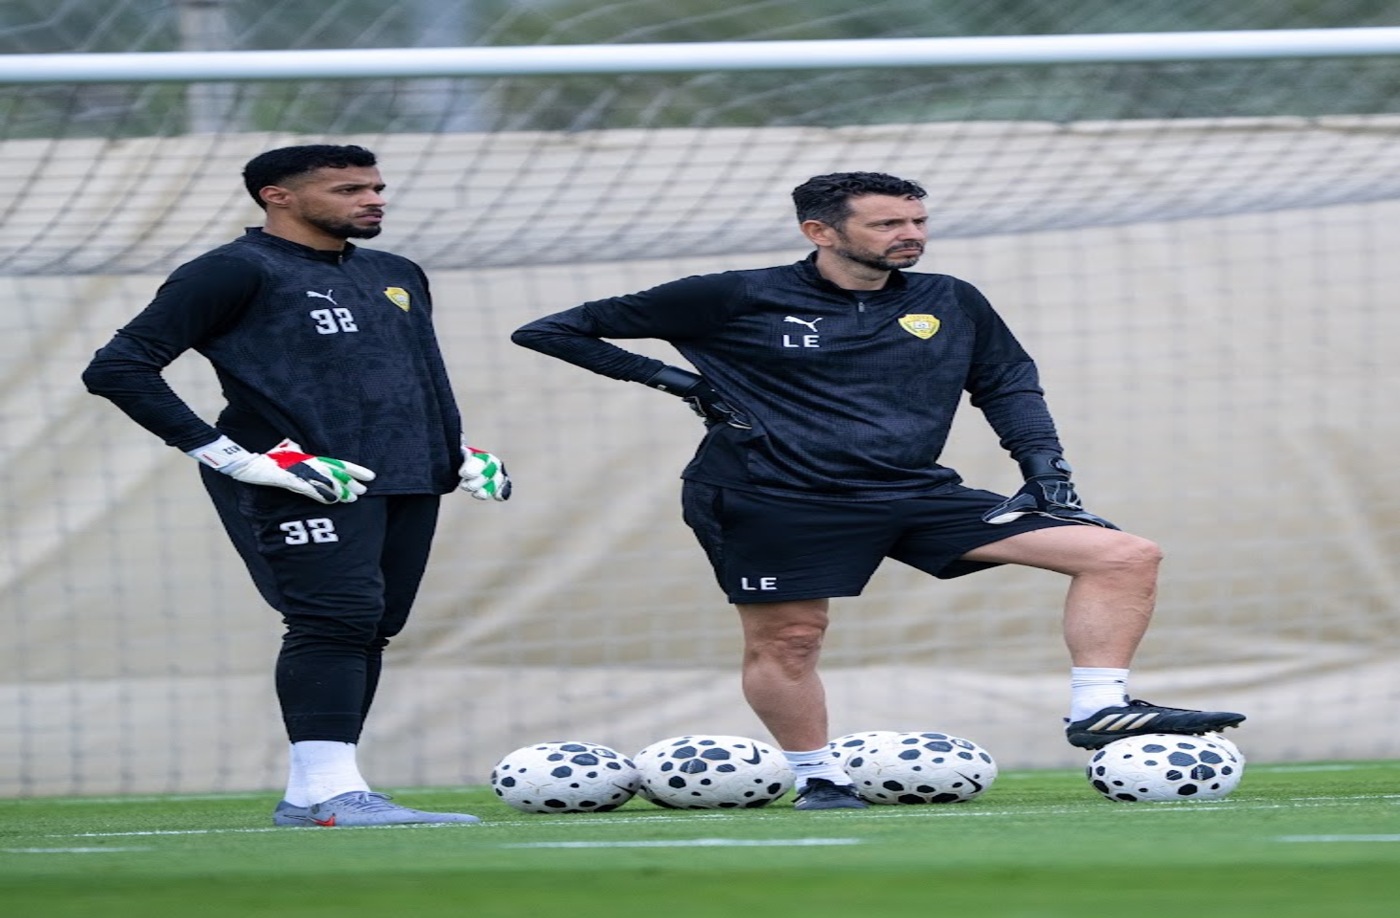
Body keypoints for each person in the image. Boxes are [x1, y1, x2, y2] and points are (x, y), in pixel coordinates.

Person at [511, 170, 1244, 810]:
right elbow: (552, 330)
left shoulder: (950, 300)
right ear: (819, 231)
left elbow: (1007, 383)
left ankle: (1098, 710)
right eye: (888, 223)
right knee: (790, 639)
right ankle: (818, 777)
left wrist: (1044, 467)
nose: (911, 235)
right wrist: (678, 382)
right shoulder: (732, 296)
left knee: (1122, 555)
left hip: (912, 489)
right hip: (774, 493)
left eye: (918, 220)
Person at [83, 144, 511, 827]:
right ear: (276, 196)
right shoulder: (231, 271)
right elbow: (118, 368)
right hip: (299, 479)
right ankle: (335, 796)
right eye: (348, 189)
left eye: (375, 186)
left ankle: (314, 794)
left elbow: (408, 374)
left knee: (370, 626)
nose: (372, 199)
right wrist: (237, 459)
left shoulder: (396, 273)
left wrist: (454, 446)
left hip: (407, 476)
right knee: (332, 619)